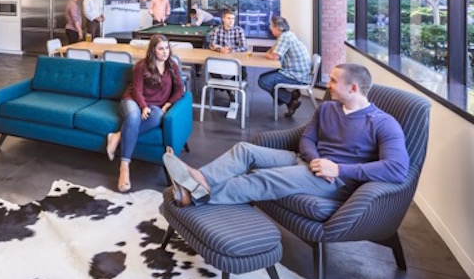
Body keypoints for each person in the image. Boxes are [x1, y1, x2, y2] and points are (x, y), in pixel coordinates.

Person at [163, 63, 409, 207]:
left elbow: (397, 169)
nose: (328, 85)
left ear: (353, 88)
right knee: (244, 150)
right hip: (306, 162)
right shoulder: (327, 107)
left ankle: (194, 196)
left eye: (333, 81)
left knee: (261, 178)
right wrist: (313, 158)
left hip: (334, 180)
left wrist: (338, 169)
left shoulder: (383, 123)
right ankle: (200, 178)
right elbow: (307, 139)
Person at [106, 34, 184, 193]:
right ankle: (124, 167)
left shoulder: (172, 66)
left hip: (156, 106)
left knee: (159, 116)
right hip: (133, 100)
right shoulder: (142, 66)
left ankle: (118, 136)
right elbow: (137, 90)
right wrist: (143, 107)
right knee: (133, 117)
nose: (165, 52)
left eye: (167, 48)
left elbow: (180, 89)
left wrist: (168, 104)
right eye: (160, 48)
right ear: (153, 50)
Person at [259, 15, 312, 118]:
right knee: (263, 78)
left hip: (297, 76)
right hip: (297, 72)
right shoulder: (288, 35)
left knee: (264, 81)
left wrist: (266, 54)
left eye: (271, 25)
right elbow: (273, 50)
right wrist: (270, 52)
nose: (270, 28)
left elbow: (274, 57)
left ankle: (290, 99)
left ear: (278, 27)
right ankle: (290, 100)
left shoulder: (285, 37)